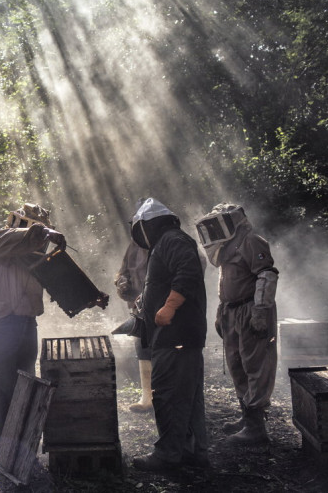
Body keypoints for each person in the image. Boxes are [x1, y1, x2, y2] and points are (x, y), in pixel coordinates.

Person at [130, 198, 208, 472]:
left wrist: (168, 306)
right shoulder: (167, 242)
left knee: (167, 394)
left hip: (176, 334)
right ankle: (194, 451)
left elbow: (188, 272)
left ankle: (169, 454)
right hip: (179, 335)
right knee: (187, 395)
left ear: (150, 225)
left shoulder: (172, 240)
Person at [0, 203, 66, 447]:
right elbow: (27, 236)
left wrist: (88, 297)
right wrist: (46, 232)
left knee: (26, 378)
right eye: (38, 231)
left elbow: (56, 281)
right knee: (2, 381)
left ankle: (22, 433)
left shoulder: (33, 254)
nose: (41, 238)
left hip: (27, 321)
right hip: (1, 321)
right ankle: (3, 437)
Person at [196, 203, 279, 445]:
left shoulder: (252, 241)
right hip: (232, 311)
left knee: (255, 364)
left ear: (232, 220)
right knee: (237, 364)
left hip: (251, 310)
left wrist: (261, 311)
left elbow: (266, 274)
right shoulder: (227, 247)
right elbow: (227, 282)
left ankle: (256, 428)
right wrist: (221, 313)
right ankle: (248, 417)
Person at [113, 239, 152, 413]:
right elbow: (123, 272)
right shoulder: (134, 246)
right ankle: (148, 398)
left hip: (164, 308)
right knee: (143, 351)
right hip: (140, 310)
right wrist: (123, 283)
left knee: (165, 353)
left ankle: (169, 398)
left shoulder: (168, 242)